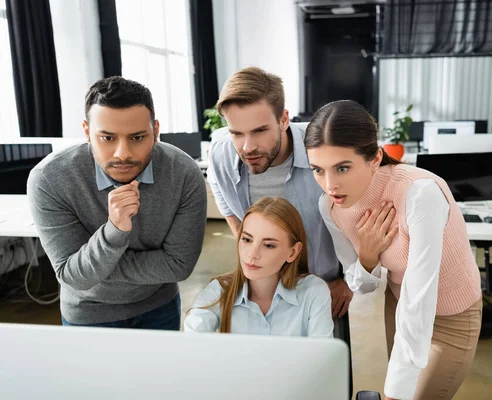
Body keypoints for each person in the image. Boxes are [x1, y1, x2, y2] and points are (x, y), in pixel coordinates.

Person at [305, 100, 482, 400]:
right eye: (318, 170)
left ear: (374, 158)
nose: (330, 185)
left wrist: (396, 390)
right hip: (399, 307)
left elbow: (421, 295)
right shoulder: (331, 207)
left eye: (342, 168)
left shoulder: (420, 193)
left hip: (452, 317)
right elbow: (359, 285)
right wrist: (368, 256)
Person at [27, 76, 207, 330]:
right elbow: (72, 276)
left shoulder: (184, 172)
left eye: (137, 137)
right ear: (87, 132)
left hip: (159, 306)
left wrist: (95, 269)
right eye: (107, 138)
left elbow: (178, 265)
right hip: (88, 314)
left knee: (159, 372)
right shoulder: (50, 178)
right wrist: (115, 230)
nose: (122, 153)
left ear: (155, 131)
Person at [206, 67, 353, 323]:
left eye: (259, 131)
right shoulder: (220, 151)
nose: (248, 146)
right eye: (237, 133)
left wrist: (349, 281)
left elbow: (364, 214)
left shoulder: (325, 147)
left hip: (327, 288)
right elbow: (225, 201)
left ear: (284, 120)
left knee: (326, 361)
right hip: (263, 288)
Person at [184, 197, 333, 337]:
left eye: (268, 245)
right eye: (247, 239)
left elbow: (323, 359)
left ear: (293, 252)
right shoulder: (218, 291)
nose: (252, 254)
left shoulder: (313, 292)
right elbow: (192, 346)